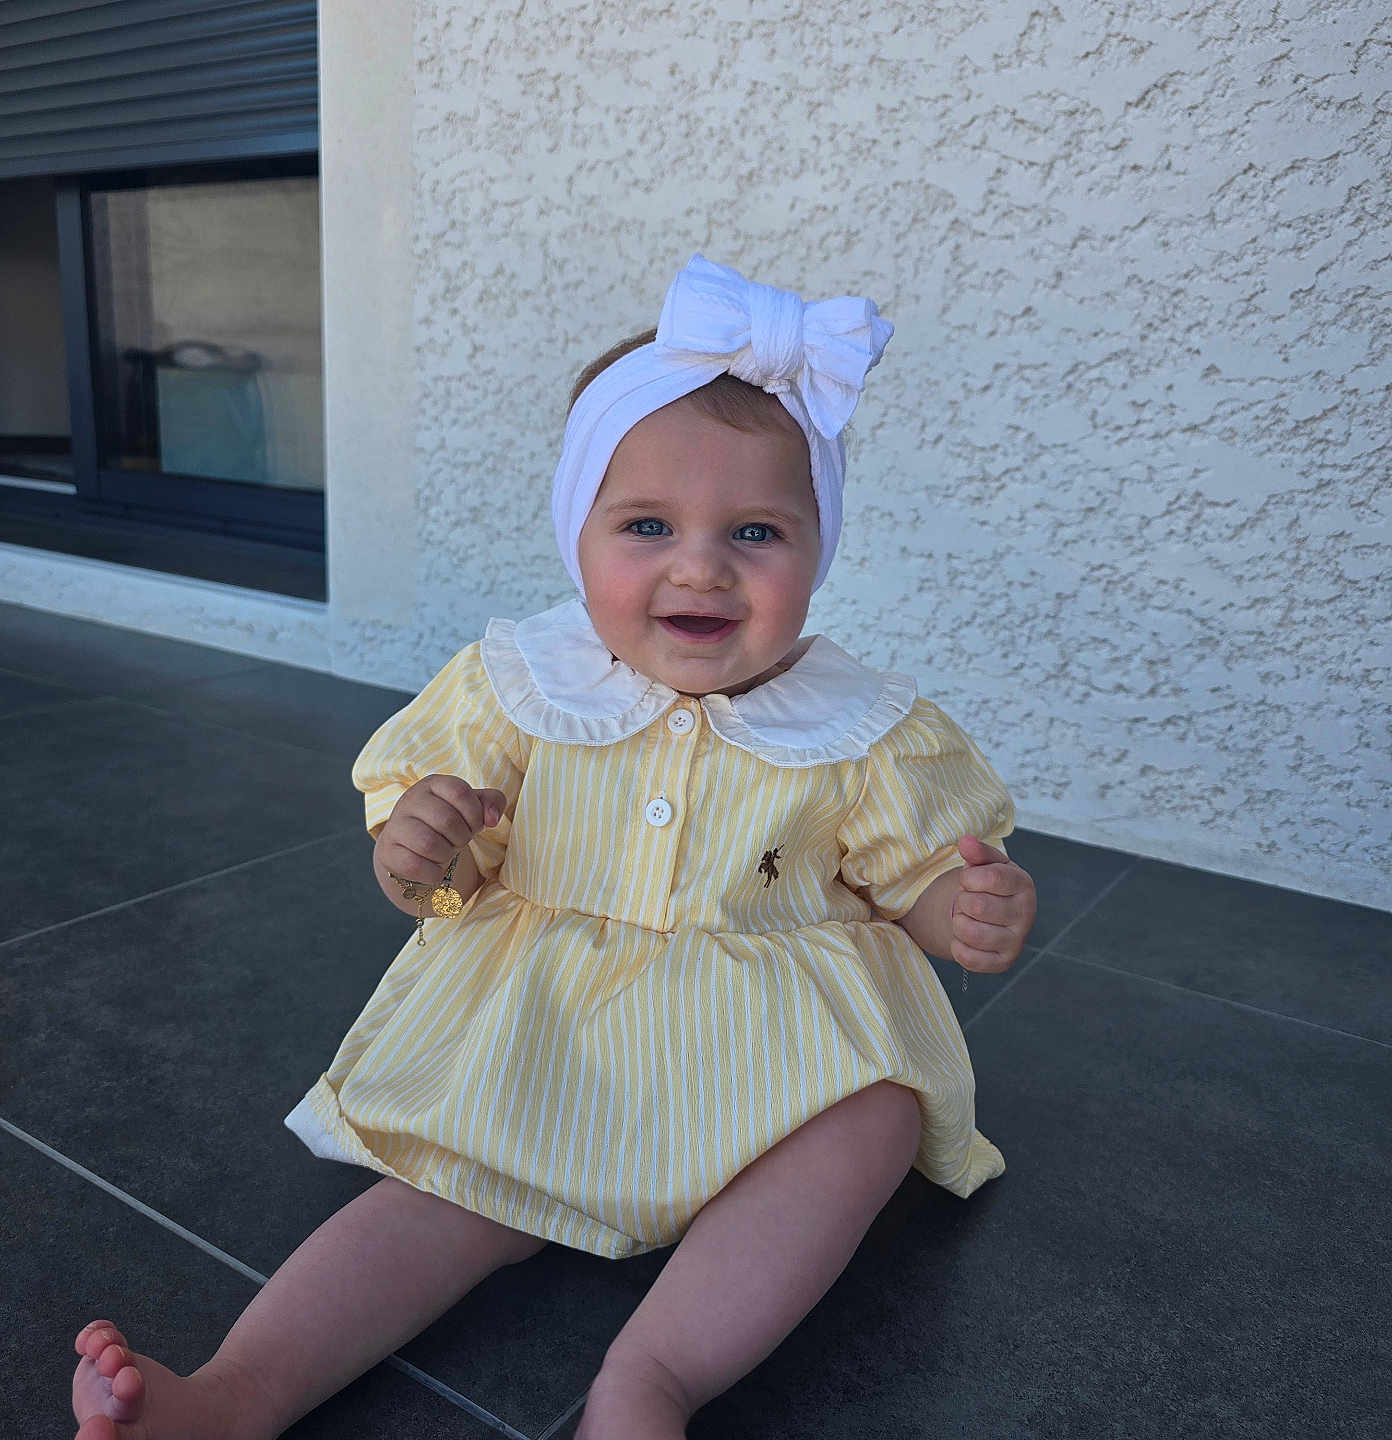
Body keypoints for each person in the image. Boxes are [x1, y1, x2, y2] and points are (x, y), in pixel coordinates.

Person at [72, 254, 1037, 1440]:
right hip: (550, 1031)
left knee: (877, 1113)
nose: (700, 565)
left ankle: (650, 1385)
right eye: (646, 524)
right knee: (437, 1194)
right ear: (574, 531)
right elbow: (432, 859)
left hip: (773, 1047)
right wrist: (418, 849)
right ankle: (232, 1397)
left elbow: (917, 873)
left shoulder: (860, 726)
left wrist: (960, 909)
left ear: (820, 544)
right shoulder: (519, 685)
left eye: (756, 531)